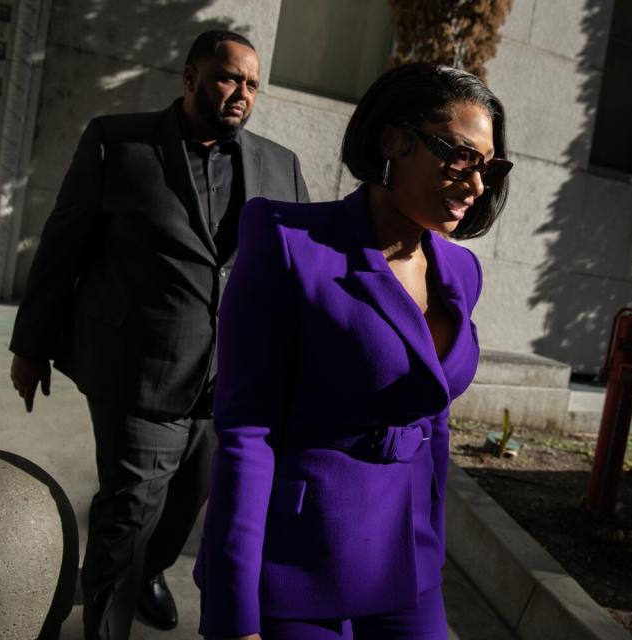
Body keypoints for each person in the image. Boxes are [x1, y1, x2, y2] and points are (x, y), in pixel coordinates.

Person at [8, 30, 309, 640]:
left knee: (188, 503)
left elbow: (296, 271)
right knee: (128, 514)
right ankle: (106, 623)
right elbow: (63, 246)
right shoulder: (118, 143)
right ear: (191, 76)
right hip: (138, 367)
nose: (241, 94)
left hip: (231, 378)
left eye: (252, 84)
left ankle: (154, 573)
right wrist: (31, 344)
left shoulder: (281, 165)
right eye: (228, 78)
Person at [195, 62, 512, 640]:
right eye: (460, 155)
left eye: (489, 168)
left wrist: (431, 549)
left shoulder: (460, 271)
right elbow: (246, 432)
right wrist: (233, 612)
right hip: (295, 564)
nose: (476, 185)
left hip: (407, 565)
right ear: (394, 138)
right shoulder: (287, 243)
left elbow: (433, 424)